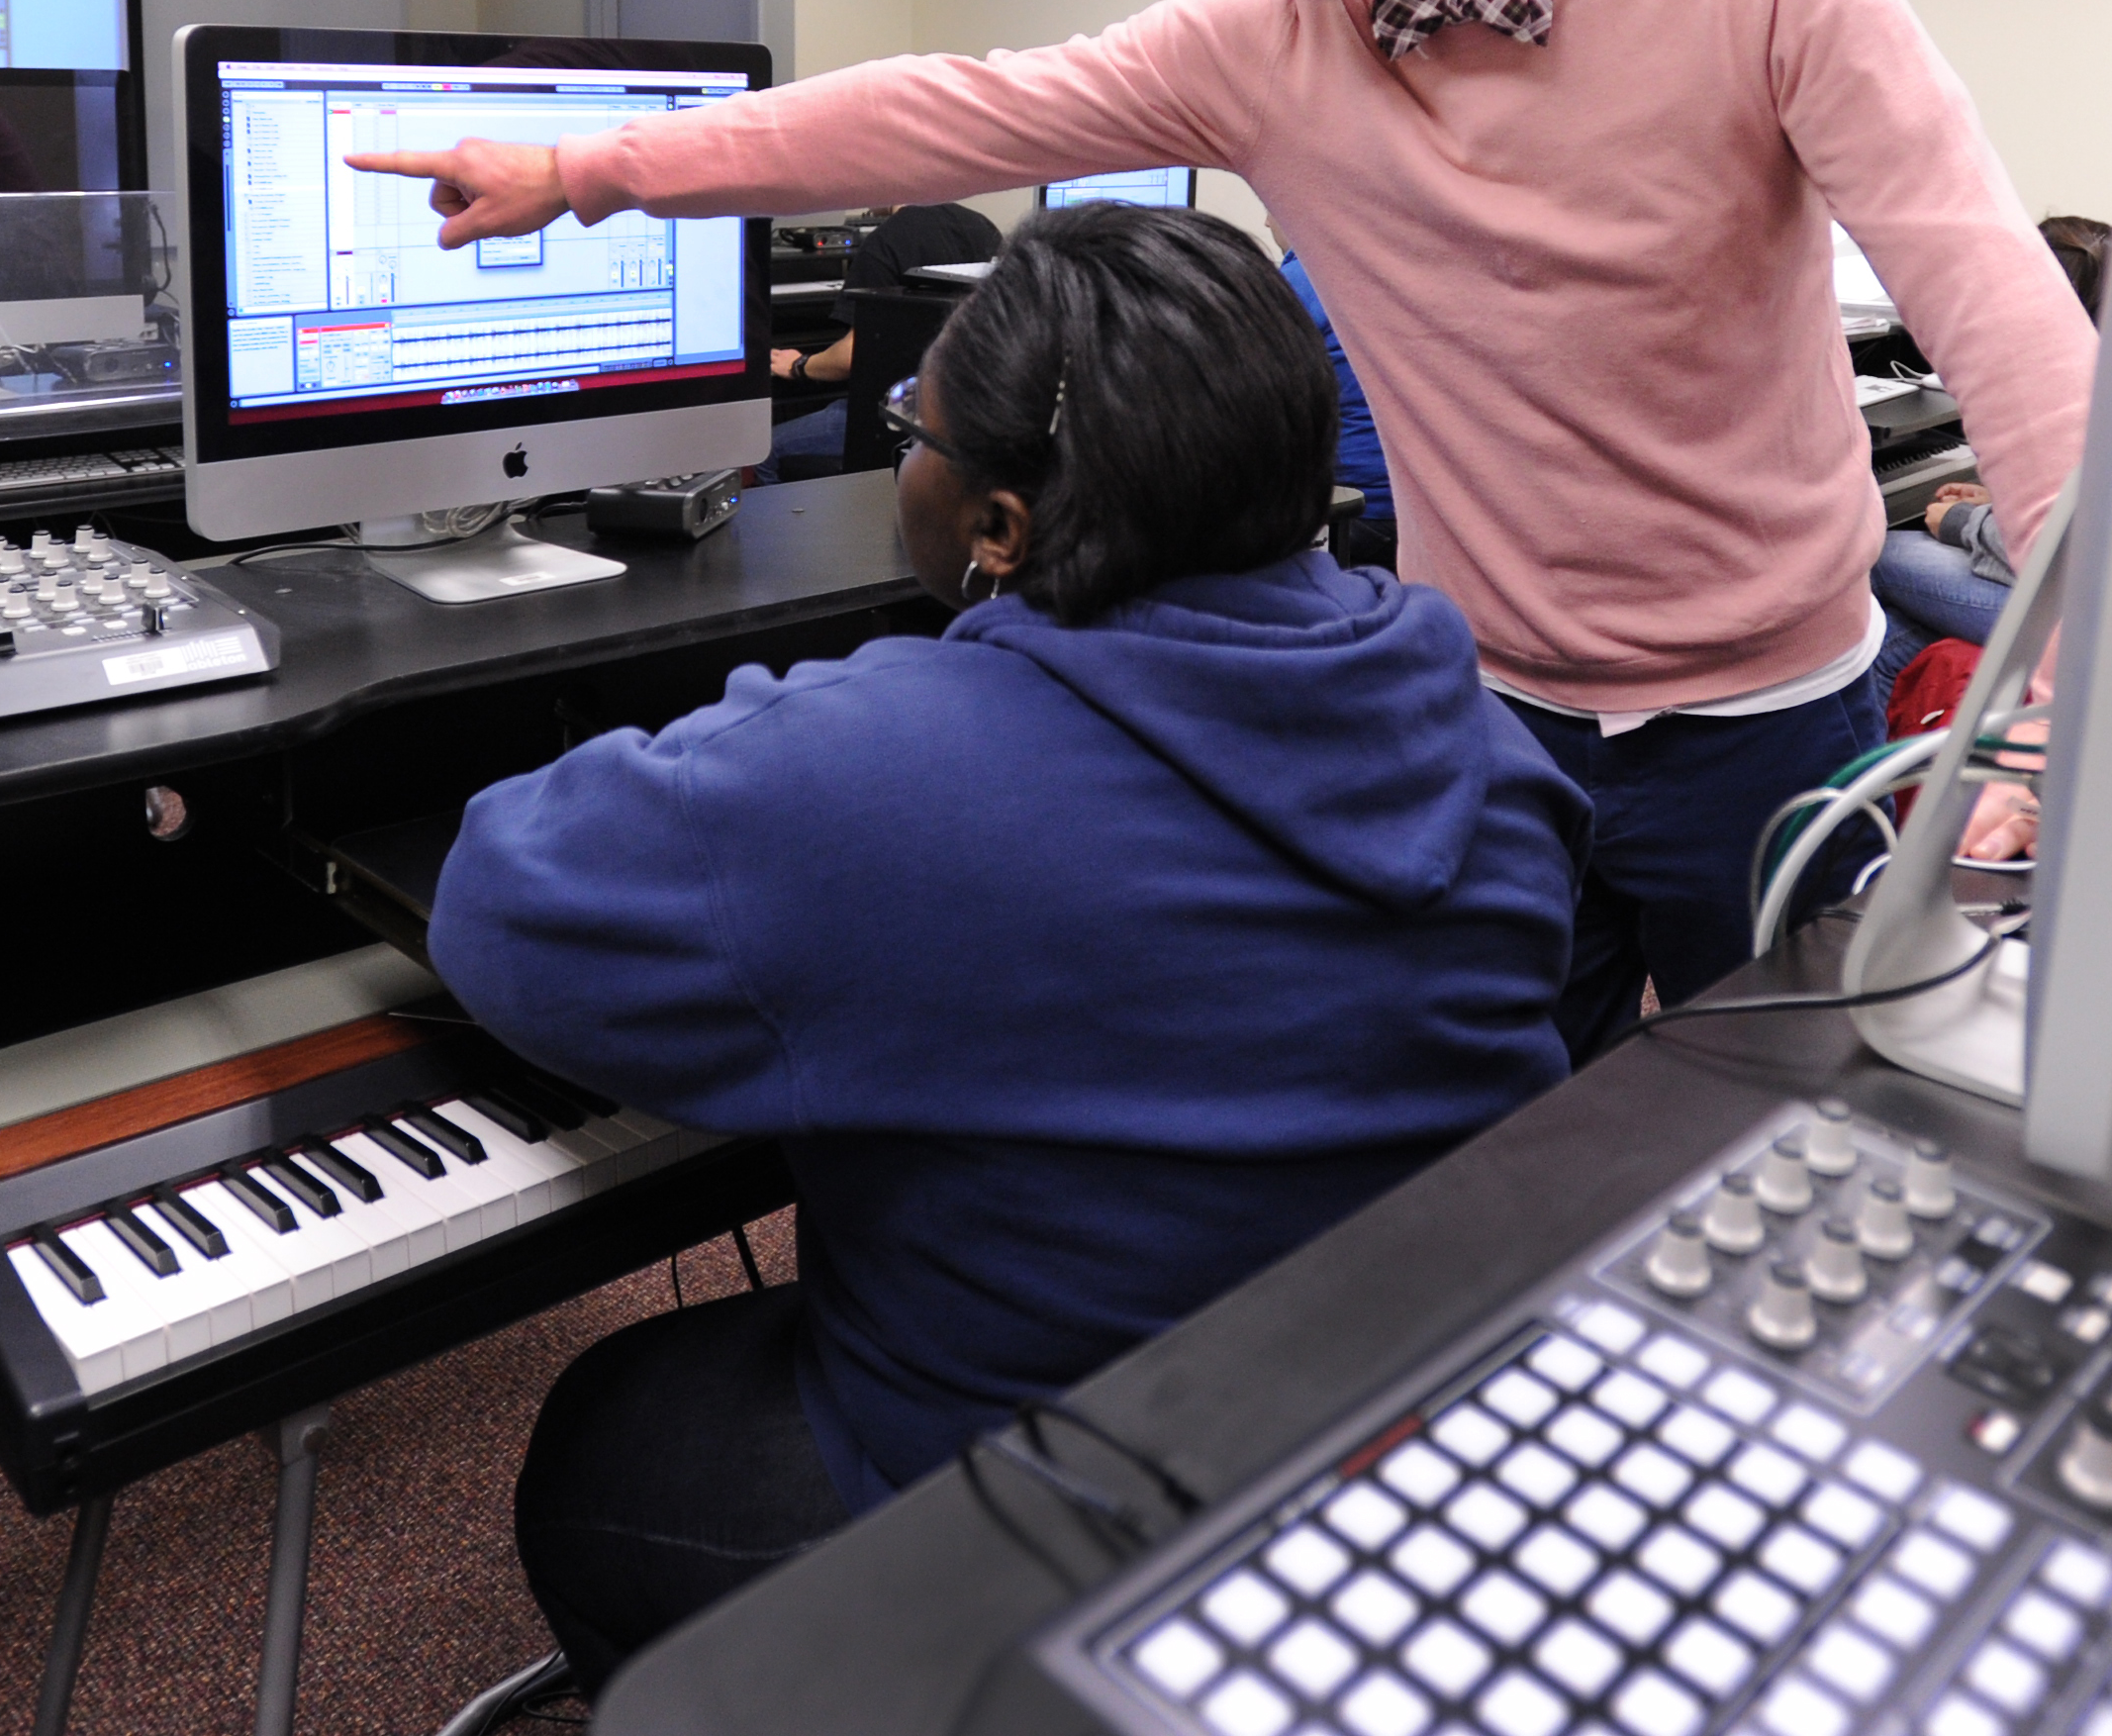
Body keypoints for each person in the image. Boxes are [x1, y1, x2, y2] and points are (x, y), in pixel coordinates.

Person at [359, 0, 2095, 1058]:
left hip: (1769, 714)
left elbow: (1996, 308)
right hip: (1482, 715)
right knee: (1490, 1184)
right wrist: (586, 167)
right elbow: (949, 108)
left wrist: (2064, 699)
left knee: (1784, 1158)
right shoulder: (1273, 36)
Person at [427, 206, 1582, 1685]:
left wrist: (786, 720)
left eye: (914, 426)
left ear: (997, 528)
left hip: (1067, 1503)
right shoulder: (1485, 736)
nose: (902, 448)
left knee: (603, 1435)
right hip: (1396, 1456)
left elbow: (497, 896)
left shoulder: (878, 771)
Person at [1876, 216, 2112, 649]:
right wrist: (1997, 505)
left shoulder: (2070, 398)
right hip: (2105, 604)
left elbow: (2065, 555)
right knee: (1912, 628)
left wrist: (1963, 522)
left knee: (1880, 553)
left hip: (2083, 621)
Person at [763, 200, 1001, 477]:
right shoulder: (982, 226)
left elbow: (853, 355)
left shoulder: (888, 240)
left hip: (893, 414)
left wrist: (800, 365)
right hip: (965, 412)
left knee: (763, 454)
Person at [1281, 246, 1396, 567]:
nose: (1265, 219)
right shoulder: (1399, 270)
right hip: (1420, 514)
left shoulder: (1304, 279)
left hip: (1357, 511)